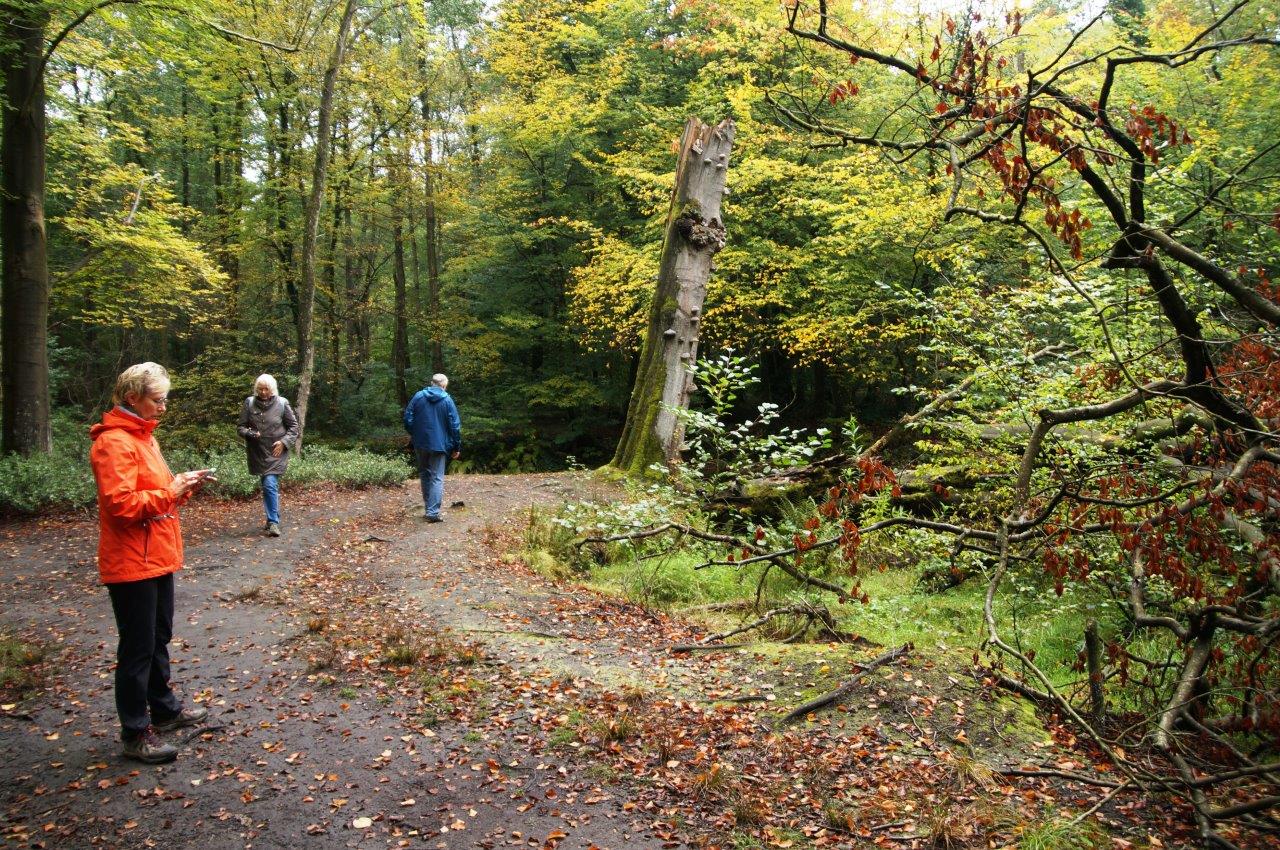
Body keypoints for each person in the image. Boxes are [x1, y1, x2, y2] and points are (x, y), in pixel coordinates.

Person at [89, 362, 211, 764]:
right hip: (130, 561)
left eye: (165, 399)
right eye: (157, 399)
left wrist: (183, 486)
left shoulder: (144, 437)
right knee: (138, 649)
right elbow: (121, 505)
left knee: (159, 637)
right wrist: (170, 491)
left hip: (156, 555)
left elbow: (157, 494)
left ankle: (164, 710)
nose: (163, 406)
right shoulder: (113, 442)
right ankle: (135, 732)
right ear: (132, 398)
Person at [236, 374, 299, 537]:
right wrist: (251, 433)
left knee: (270, 483)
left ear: (272, 389)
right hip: (257, 452)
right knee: (266, 485)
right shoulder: (249, 403)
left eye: (266, 389)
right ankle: (272, 516)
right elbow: (241, 428)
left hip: (276, 451)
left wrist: (284, 442)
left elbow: (294, 427)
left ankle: (273, 523)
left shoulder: (282, 403)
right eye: (260, 389)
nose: (263, 392)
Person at [403, 373, 462, 522]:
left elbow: (407, 418)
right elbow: (455, 426)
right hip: (440, 444)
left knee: (425, 474)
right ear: (444, 385)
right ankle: (432, 512)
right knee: (437, 477)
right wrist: (456, 446)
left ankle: (429, 509)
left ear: (432, 383)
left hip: (420, 443)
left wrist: (415, 433)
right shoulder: (447, 400)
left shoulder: (418, 396)